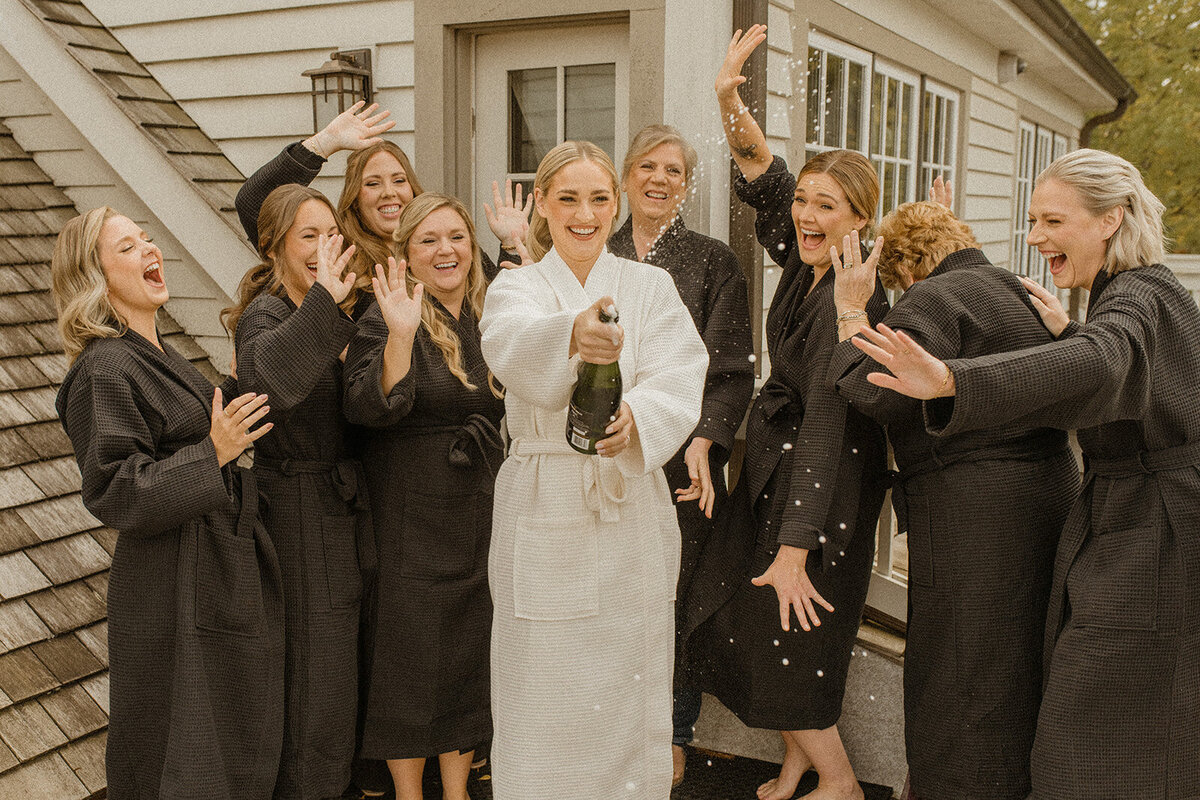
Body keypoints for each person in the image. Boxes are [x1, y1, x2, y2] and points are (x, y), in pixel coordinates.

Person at [850, 148, 1199, 800]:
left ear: (1109, 219)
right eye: (1033, 220)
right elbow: (1122, 371)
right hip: (1152, 531)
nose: (1034, 237)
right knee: (1141, 732)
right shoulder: (1148, 293)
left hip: (1156, 545)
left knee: (1088, 741)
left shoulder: (1135, 297)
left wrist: (950, 378)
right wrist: (1070, 330)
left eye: (1051, 220)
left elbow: (1105, 361)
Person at [683, 25, 890, 800]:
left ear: (858, 218)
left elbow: (837, 417)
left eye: (825, 204)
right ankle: (801, 760)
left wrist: (799, 542)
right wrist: (727, 94)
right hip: (781, 468)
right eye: (805, 200)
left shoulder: (860, 296)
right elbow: (759, 169)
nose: (804, 211)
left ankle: (838, 781)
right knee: (755, 620)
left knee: (785, 630)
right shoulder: (810, 261)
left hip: (825, 486)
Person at [478, 139, 708, 799]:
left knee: (626, 673)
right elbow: (510, 346)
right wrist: (574, 334)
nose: (585, 213)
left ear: (618, 204)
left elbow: (681, 371)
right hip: (545, 496)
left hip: (628, 498)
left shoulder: (650, 286)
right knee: (541, 681)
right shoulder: (518, 287)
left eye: (599, 198)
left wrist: (639, 416)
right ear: (543, 206)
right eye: (568, 198)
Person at [828, 201, 1079, 799]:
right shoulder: (1020, 290)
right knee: (1026, 659)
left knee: (960, 669)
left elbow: (879, 391)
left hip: (975, 515)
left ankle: (952, 788)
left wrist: (850, 309)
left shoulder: (934, 299)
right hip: (1051, 495)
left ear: (907, 269)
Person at [52, 208, 283, 799]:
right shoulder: (104, 368)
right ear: (95, 278)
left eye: (147, 239)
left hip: (208, 570)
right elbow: (116, 491)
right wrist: (214, 451)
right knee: (177, 755)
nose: (149, 250)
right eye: (126, 247)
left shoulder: (155, 352)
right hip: (168, 584)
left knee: (221, 743)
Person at [342, 193, 504, 800]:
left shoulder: (491, 312)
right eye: (428, 240)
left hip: (476, 505)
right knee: (407, 653)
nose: (446, 250)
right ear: (406, 255)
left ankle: (457, 790)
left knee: (468, 647)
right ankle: (410, 795)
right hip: (407, 508)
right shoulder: (387, 314)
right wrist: (401, 340)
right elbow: (363, 406)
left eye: (456, 237)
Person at [607, 123, 755, 786]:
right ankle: (608, 724)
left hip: (679, 458)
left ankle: (671, 730)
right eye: (648, 166)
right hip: (604, 449)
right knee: (607, 591)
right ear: (626, 174)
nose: (660, 179)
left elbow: (730, 369)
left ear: (686, 184)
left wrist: (708, 440)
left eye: (673, 170)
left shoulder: (714, 261)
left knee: (671, 593)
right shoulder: (596, 252)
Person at [221, 184, 372, 800]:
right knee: (315, 677)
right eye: (307, 235)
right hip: (296, 512)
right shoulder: (269, 312)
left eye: (330, 232)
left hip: (335, 509)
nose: (323, 245)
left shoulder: (328, 304)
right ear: (274, 246)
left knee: (333, 679)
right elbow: (267, 382)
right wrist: (328, 309)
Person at [234, 101, 532, 283]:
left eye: (399, 180)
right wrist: (324, 144)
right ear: (355, 198)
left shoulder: (444, 244)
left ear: (413, 190)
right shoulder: (341, 254)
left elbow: (495, 304)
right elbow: (252, 204)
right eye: (373, 183)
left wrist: (509, 245)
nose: (389, 192)